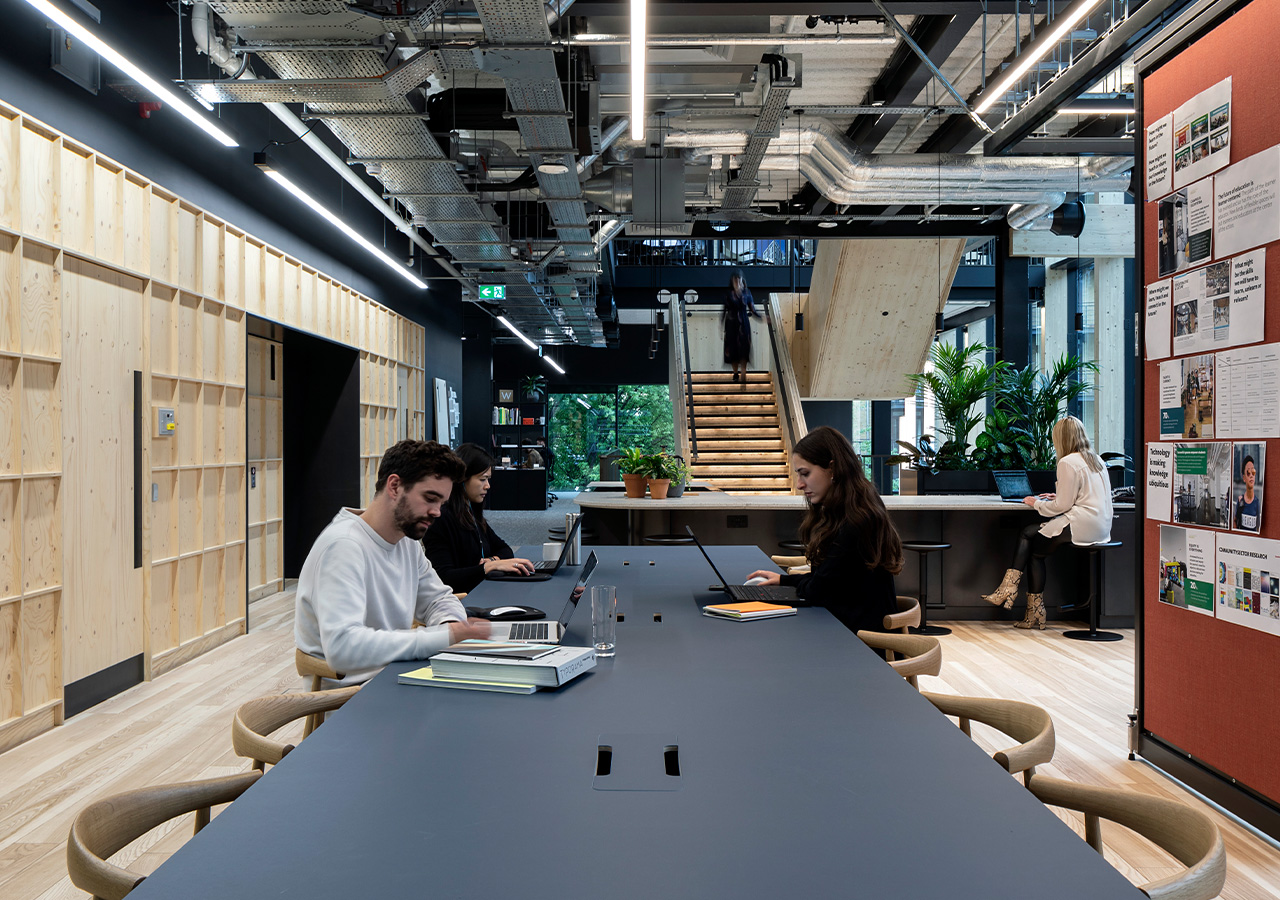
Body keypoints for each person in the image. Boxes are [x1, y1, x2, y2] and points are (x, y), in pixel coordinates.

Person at [295, 440, 491, 684]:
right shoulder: (343, 545)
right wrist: (445, 637)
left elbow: (438, 599)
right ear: (395, 486)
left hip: (394, 677)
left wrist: (451, 625)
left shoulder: (405, 540)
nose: (437, 512)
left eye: (441, 503)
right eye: (430, 498)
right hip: (353, 696)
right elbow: (342, 648)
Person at [747, 426, 902, 634]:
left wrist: (793, 583)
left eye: (805, 474)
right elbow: (827, 582)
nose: (800, 485)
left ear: (832, 469)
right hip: (849, 630)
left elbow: (818, 590)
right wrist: (784, 580)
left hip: (862, 642)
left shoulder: (856, 521)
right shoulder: (857, 507)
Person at [982, 416, 1114, 630]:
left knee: (1029, 537)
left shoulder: (1067, 462)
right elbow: (1086, 495)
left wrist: (1036, 503)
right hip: (1101, 526)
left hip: (1081, 525)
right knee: (1035, 549)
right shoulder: (1095, 459)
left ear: (1061, 438)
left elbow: (1061, 507)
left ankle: (1012, 593)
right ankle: (1027, 607)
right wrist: (1058, 495)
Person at [422, 443, 536, 593]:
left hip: (484, 591)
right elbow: (444, 578)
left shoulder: (471, 513)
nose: (487, 486)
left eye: (488, 479)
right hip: (463, 600)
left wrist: (493, 561)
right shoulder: (441, 519)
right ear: (462, 478)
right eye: (483, 479)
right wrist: (487, 567)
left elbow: (505, 549)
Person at [722, 269, 759, 384]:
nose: (737, 281)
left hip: (743, 324)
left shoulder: (747, 292)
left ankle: (743, 372)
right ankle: (735, 373)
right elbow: (724, 310)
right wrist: (721, 327)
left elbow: (753, 310)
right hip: (731, 325)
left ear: (742, 280)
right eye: (735, 280)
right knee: (732, 349)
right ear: (732, 281)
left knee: (744, 348)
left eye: (739, 279)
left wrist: (763, 318)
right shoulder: (729, 293)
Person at [1235, 454, 1260, 532]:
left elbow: (1258, 528)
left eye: (1253, 472)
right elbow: (1235, 521)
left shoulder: (1257, 502)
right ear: (1244, 478)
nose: (1251, 475)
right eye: (1248, 472)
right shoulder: (1240, 501)